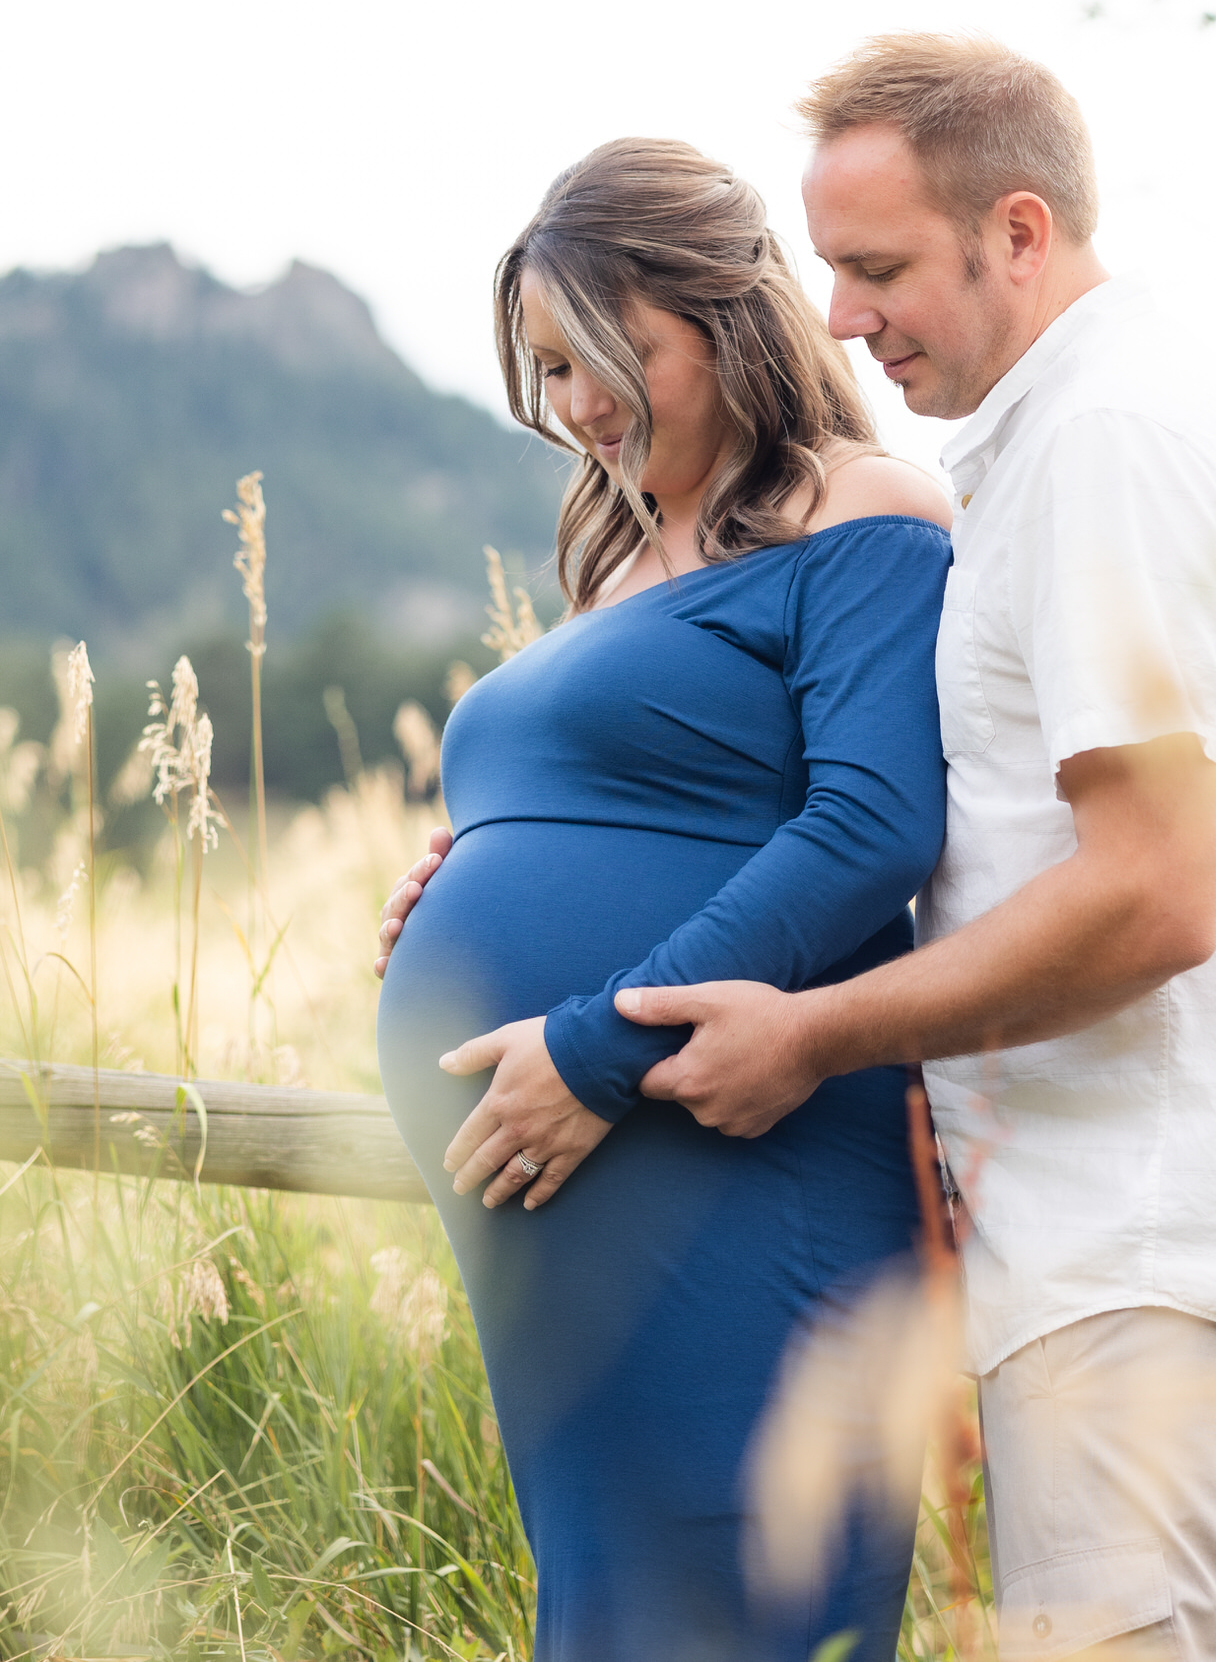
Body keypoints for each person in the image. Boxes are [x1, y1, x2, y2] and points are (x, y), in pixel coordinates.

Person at [603, 36, 1216, 1662]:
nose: (841, 318)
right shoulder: (1108, 424)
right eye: (833, 270)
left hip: (1154, 1288)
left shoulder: (1111, 442)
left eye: (880, 268)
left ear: (1022, 232)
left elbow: (1152, 892)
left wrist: (811, 1035)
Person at [373, 135, 952, 1662]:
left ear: (723, 317)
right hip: (566, 1189)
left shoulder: (866, 509)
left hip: (719, 1144)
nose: (576, 411)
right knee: (617, 1606)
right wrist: (462, 871)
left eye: (600, 361)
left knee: (746, 1592)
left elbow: (873, 828)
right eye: (549, 375)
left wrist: (588, 1045)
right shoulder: (621, 558)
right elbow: (635, 802)